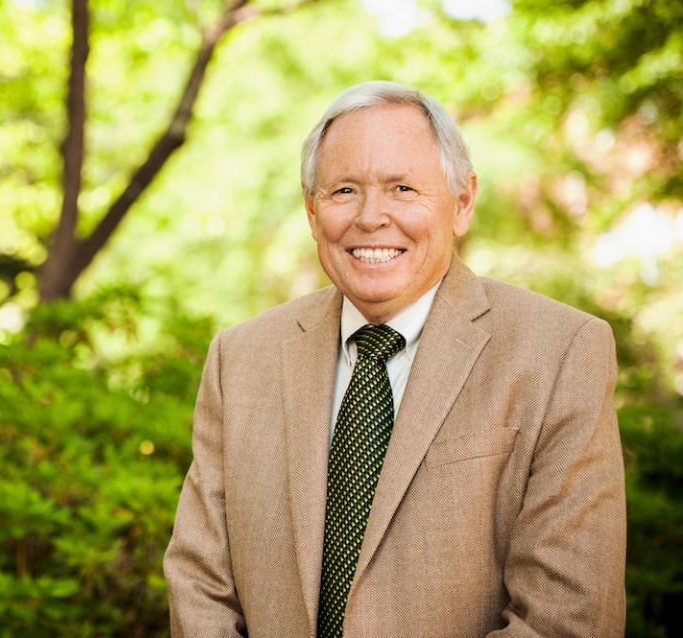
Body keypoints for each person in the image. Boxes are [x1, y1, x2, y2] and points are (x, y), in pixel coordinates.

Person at [163, 81, 626, 637]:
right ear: (312, 213)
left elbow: (567, 618)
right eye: (343, 191)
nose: (370, 217)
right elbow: (198, 585)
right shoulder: (239, 359)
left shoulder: (560, 353)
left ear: (462, 203)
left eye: (403, 188)